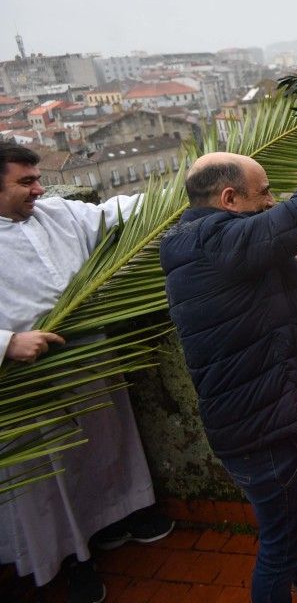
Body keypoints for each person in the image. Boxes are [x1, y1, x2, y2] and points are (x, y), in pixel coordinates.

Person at [159, 98, 297, 603]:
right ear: (230, 198)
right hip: (266, 428)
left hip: (270, 416)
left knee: (290, 526)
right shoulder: (219, 244)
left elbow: (275, 304)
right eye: (263, 194)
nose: (271, 200)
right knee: (282, 542)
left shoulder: (214, 246)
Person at [0, 142, 174, 603]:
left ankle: (119, 516)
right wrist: (7, 343)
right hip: (24, 379)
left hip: (86, 355)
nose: (39, 188)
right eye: (26, 181)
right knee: (46, 474)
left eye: (37, 178)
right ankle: (70, 558)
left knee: (105, 442)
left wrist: (193, 182)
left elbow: (117, 211)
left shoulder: (54, 214)